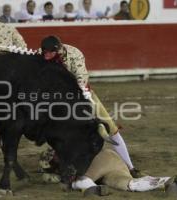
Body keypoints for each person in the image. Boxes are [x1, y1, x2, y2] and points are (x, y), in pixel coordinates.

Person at [39, 35, 142, 178]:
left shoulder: (74, 54)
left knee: (110, 128)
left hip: (82, 94)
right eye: (45, 53)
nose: (47, 56)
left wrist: (79, 100)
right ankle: (56, 161)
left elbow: (82, 79)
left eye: (50, 52)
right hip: (56, 98)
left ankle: (130, 167)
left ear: (59, 49)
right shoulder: (41, 55)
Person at [39, 147, 177, 196]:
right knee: (130, 184)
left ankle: (93, 189)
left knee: (78, 180)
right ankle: (164, 181)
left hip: (101, 158)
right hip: (110, 161)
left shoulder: (65, 155)